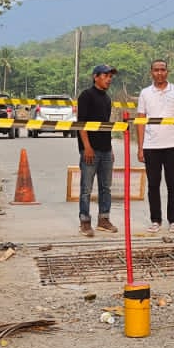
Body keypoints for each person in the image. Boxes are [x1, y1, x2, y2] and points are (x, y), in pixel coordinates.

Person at [137, 58, 174, 233]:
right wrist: (140, 147)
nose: (159, 73)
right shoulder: (145, 93)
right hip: (151, 146)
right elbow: (140, 121)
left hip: (173, 145)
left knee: (173, 184)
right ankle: (155, 220)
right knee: (153, 184)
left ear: (168, 72)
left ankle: (173, 219)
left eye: (163, 70)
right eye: (156, 70)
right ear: (151, 72)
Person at [76, 65, 119, 236]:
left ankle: (104, 219)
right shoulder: (86, 96)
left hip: (105, 150)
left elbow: (105, 126)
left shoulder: (107, 99)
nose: (109, 79)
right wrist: (87, 147)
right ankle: (85, 222)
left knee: (105, 187)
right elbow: (81, 124)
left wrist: (110, 149)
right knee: (86, 188)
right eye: (105, 76)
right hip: (90, 150)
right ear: (96, 77)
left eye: (110, 76)